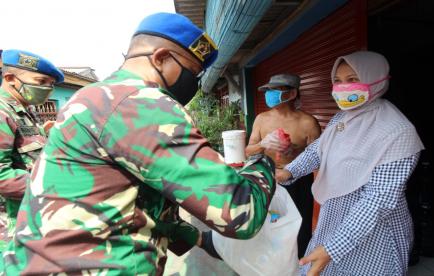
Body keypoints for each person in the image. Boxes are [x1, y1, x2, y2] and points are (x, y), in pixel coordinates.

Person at [1, 13, 276, 275]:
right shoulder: (140, 103)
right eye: (192, 72)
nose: (194, 83)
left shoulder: (92, 97)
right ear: (161, 58)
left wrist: (199, 240)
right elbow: (241, 212)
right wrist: (265, 161)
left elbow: (136, 196)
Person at [276, 51, 424, 276]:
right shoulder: (341, 118)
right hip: (334, 218)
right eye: (337, 81)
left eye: (352, 79)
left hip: (375, 232)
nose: (343, 87)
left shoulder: (398, 131)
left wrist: (333, 248)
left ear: (376, 79)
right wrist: (288, 172)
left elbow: (378, 200)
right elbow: (318, 149)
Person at [245, 73, 321, 258]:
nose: (270, 94)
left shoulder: (308, 123)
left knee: (300, 227)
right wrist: (263, 144)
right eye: (268, 90)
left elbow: (319, 159)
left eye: (276, 90)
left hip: (298, 182)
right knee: (270, 223)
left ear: (292, 94)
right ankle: (272, 261)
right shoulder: (261, 119)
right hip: (268, 179)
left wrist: (293, 152)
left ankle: (300, 263)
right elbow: (248, 151)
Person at [0, 49, 63, 251]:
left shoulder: (26, 111)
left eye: (51, 84)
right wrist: (54, 184)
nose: (48, 89)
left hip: (30, 217)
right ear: (10, 79)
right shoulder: (2, 112)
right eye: (41, 81)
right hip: (9, 226)